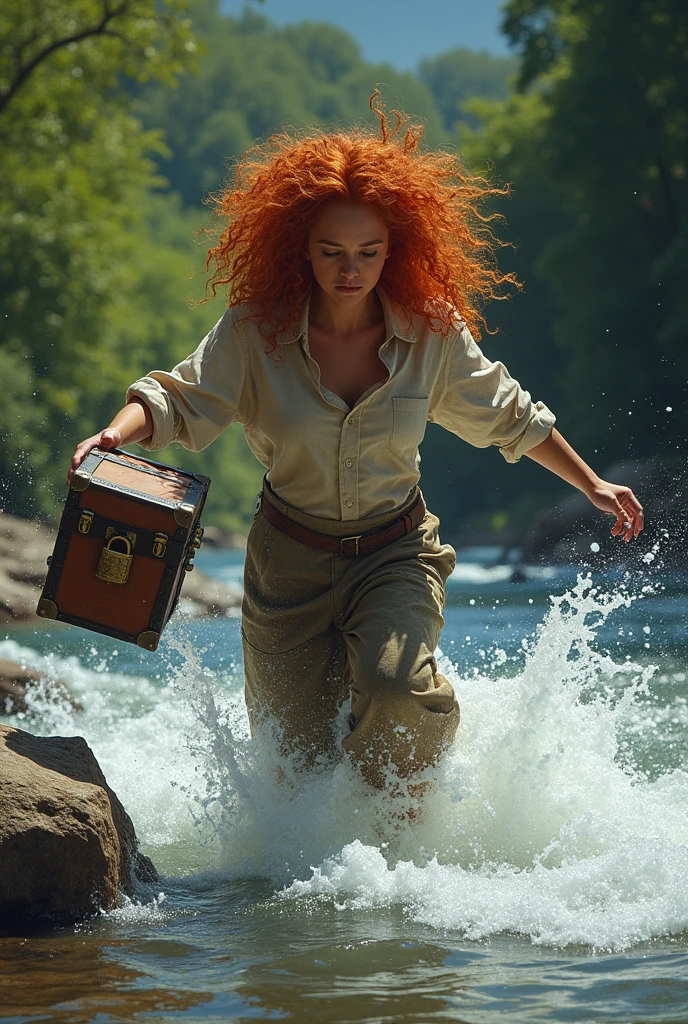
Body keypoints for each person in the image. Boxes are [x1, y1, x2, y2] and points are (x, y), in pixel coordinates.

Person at [69, 97, 644, 794]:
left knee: (396, 691)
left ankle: (405, 821)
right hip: (288, 564)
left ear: (393, 252)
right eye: (333, 252)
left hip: (394, 550)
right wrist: (114, 434)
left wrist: (593, 486)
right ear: (300, 250)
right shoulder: (255, 330)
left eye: (369, 253)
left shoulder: (431, 329)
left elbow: (510, 415)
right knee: (295, 770)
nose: (351, 270)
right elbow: (179, 398)